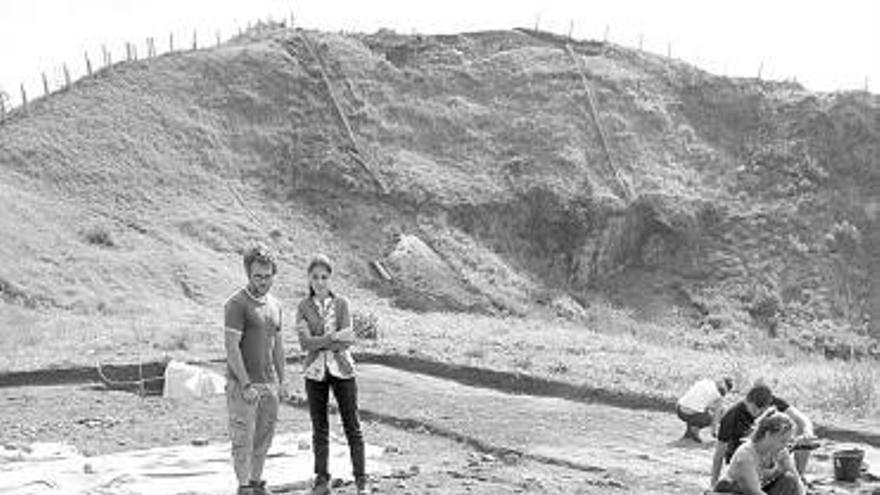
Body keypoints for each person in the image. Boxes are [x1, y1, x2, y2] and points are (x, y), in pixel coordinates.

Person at [295, 254, 368, 495]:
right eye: (315, 277)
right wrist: (330, 339)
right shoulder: (303, 306)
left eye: (324, 277)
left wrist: (323, 342)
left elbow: (347, 340)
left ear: (330, 279)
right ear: (309, 278)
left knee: (352, 426)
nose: (319, 282)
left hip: (342, 370)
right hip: (315, 371)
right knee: (320, 428)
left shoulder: (342, 304)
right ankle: (322, 479)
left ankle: (361, 480)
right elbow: (305, 343)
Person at [224, 243, 286, 495]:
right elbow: (231, 347)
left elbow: (278, 347)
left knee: (264, 439)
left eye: (267, 275)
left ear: (274, 273)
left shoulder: (276, 305)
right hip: (243, 386)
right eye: (257, 276)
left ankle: (257, 484)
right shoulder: (236, 304)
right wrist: (246, 384)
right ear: (248, 274)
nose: (262, 281)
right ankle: (244, 488)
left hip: (268, 383)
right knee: (243, 441)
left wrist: (282, 381)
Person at [711, 384, 816, 488]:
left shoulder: (773, 402)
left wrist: (807, 433)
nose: (757, 413)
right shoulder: (731, 416)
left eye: (761, 410)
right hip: (746, 458)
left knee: (802, 444)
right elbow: (719, 454)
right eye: (754, 409)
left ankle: (799, 477)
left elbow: (801, 419)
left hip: (770, 453)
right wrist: (713, 484)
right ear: (747, 401)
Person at [712, 409, 806, 495]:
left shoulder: (781, 452)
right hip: (736, 492)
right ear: (768, 434)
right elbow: (755, 492)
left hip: (761, 490)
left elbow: (797, 480)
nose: (785, 445)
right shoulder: (746, 456)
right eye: (782, 441)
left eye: (787, 441)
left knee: (789, 480)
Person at [676, 376, 733, 442]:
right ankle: (693, 430)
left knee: (698, 408)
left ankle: (689, 433)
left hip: (679, 409)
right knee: (710, 416)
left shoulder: (704, 381)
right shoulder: (718, 396)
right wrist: (714, 432)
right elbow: (715, 419)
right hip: (691, 413)